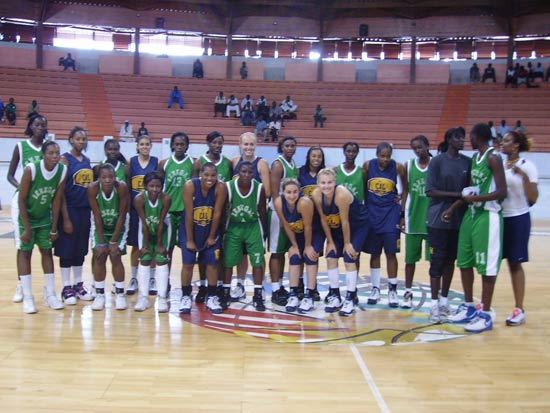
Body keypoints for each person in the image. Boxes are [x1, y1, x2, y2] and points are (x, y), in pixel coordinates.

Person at [450, 123, 507, 333]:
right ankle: (469, 306)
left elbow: (502, 192)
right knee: (464, 261)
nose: (468, 140)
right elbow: (476, 187)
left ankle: (485, 313)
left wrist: (477, 198)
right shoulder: (475, 158)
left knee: (487, 268)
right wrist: (461, 202)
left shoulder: (494, 158)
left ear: (477, 136)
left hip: (488, 216)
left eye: (471, 136)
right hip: (471, 214)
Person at [425, 127, 470, 322]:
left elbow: (470, 191)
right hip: (437, 218)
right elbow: (430, 191)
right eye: (458, 137)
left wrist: (459, 201)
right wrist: (457, 195)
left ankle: (444, 300)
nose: (462, 141)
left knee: (451, 260)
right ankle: (434, 303)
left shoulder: (467, 162)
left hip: (459, 219)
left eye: (463, 137)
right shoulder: (437, 161)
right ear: (449, 139)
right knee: (437, 261)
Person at [16, 141, 67, 313]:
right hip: (26, 217)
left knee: (47, 252)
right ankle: (28, 297)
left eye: (57, 153)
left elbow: (57, 200)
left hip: (45, 217)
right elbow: (21, 199)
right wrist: (27, 227)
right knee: (25, 252)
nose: (55, 156)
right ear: (43, 154)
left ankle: (51, 294)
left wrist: (54, 227)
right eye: (51, 153)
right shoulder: (32, 169)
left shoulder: (62, 170)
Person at [311, 169, 370, 316]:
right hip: (336, 227)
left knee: (349, 257)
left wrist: (347, 243)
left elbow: (345, 222)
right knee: (331, 256)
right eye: (323, 183)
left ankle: (350, 297)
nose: (326, 186)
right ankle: (335, 296)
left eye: (330, 182)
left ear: (335, 182)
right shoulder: (316, 194)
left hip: (357, 225)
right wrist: (330, 241)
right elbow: (324, 219)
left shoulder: (341, 194)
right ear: (318, 183)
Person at [8, 114, 48, 304]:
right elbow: (10, 175)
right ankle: (21, 284)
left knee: (44, 247)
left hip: (42, 201)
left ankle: (48, 290)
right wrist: (21, 188)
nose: (40, 127)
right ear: (30, 126)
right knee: (23, 244)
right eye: (37, 124)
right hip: (23, 201)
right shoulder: (21, 146)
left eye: (43, 125)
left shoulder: (49, 148)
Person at [500, 131, 538, 326]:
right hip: (498, 218)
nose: (502, 143)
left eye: (506, 141)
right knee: (490, 263)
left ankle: (518, 309)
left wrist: (522, 177)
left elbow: (533, 199)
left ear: (515, 146)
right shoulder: (497, 164)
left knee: (515, 264)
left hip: (518, 218)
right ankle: (485, 305)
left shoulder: (527, 166)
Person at [179, 163, 227, 314]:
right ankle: (186, 296)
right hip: (190, 229)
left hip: (210, 229)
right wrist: (190, 240)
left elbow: (218, 213)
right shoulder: (190, 186)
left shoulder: (221, 187)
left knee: (212, 264)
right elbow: (188, 214)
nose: (210, 178)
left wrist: (212, 236)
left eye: (213, 175)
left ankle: (211, 297)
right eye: (206, 175)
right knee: (188, 264)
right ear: (201, 174)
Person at [363, 142, 406, 308]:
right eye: (382, 156)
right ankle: (375, 289)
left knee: (391, 254)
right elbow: (364, 187)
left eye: (388, 156)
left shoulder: (398, 168)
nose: (385, 159)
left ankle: (392, 290)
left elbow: (406, 189)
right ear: (376, 154)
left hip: (391, 215)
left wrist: (401, 214)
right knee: (374, 254)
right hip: (372, 215)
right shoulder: (368, 166)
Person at [54, 127, 94, 305]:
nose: (81, 142)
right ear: (71, 140)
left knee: (80, 250)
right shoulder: (64, 159)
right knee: (66, 251)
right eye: (78, 139)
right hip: (69, 209)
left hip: (84, 210)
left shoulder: (86, 160)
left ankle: (78, 285)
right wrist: (66, 217)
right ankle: (66, 287)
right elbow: (60, 191)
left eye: (83, 139)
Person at [230, 132, 271, 301]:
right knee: (241, 253)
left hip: (255, 214)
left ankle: (259, 287)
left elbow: (267, 191)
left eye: (251, 144)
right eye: (245, 144)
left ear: (256, 145)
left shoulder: (261, 163)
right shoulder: (233, 161)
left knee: (257, 253)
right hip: (238, 215)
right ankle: (239, 283)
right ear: (240, 144)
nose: (248, 147)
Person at [192, 131, 232, 302]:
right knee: (203, 254)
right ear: (208, 143)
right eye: (215, 142)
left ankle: (220, 286)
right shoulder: (199, 162)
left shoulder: (228, 163)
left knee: (219, 253)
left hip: (222, 214)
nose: (218, 145)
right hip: (203, 214)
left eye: (220, 142)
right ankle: (202, 286)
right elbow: (194, 189)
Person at [222, 161, 267, 311]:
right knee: (228, 262)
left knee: (257, 261)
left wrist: (264, 234)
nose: (246, 175)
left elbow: (262, 212)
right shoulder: (228, 186)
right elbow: (222, 211)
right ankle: (225, 292)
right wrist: (221, 232)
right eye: (243, 172)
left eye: (249, 172)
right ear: (238, 173)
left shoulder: (259, 188)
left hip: (252, 226)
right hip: (234, 227)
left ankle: (258, 295)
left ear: (253, 174)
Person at [88, 163, 130, 311]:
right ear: (98, 178)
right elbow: (97, 216)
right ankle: (100, 294)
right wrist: (100, 242)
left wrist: (113, 241)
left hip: (119, 225)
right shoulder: (92, 188)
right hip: (100, 225)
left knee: (115, 255)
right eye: (104, 177)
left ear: (115, 177)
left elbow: (122, 214)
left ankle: (120, 293)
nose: (107, 180)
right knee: (99, 255)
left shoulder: (121, 187)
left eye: (110, 177)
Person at [274, 179, 319, 313]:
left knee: (310, 257)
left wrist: (307, 246)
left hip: (314, 232)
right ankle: (293, 294)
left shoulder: (304, 203)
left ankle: (309, 295)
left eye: (295, 192)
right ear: (283, 192)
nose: (292, 195)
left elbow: (308, 227)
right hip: (297, 233)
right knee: (294, 257)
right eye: (288, 192)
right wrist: (294, 245)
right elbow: (286, 225)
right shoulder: (278, 202)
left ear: (299, 192)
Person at [158, 132, 193, 301]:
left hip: (187, 213)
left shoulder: (193, 163)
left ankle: (187, 288)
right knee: (167, 252)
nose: (179, 147)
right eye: (177, 144)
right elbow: (158, 188)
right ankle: (165, 284)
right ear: (172, 145)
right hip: (169, 213)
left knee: (188, 251)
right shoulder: (164, 164)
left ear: (187, 146)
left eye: (182, 144)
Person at [125, 135, 159, 296]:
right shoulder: (131, 162)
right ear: (137, 146)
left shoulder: (156, 162)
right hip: (134, 210)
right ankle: (134, 278)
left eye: (147, 144)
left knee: (151, 244)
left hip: (151, 209)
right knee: (136, 246)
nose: (145, 147)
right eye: (142, 144)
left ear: (151, 146)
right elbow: (126, 185)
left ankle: (152, 278)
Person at [400, 135, 431, 308]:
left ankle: (436, 294)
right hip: (413, 219)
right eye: (414, 148)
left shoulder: (436, 165)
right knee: (409, 260)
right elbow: (405, 192)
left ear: (427, 146)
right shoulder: (409, 166)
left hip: (432, 221)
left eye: (420, 147)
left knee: (435, 261)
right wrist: (402, 215)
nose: (418, 150)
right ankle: (408, 291)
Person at [133, 172, 172, 312]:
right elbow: (144, 223)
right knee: (145, 258)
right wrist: (144, 245)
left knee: (161, 259)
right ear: (145, 186)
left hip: (164, 229)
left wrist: (160, 244)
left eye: (158, 186)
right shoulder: (139, 199)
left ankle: (161, 298)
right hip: (145, 228)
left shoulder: (166, 198)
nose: (155, 189)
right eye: (151, 186)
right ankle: (143, 297)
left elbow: (161, 223)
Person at [268, 136, 299, 306]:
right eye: (287, 145)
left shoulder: (293, 163)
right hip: (277, 212)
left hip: (290, 213)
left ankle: (280, 286)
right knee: (276, 252)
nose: (290, 148)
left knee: (285, 252)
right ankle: (274, 289)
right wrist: (281, 214)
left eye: (293, 145)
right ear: (281, 147)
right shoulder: (278, 164)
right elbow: (274, 193)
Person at [297, 145, 325, 301]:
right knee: (300, 254)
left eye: (319, 156)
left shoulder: (325, 174)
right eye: (313, 156)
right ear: (308, 157)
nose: (316, 159)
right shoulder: (300, 172)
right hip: (301, 221)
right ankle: (299, 285)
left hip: (319, 222)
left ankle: (312, 288)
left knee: (314, 255)